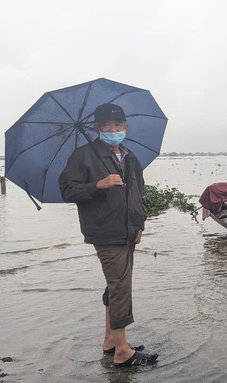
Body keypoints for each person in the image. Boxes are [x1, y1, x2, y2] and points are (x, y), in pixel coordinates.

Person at [59, 103, 158, 366]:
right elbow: (68, 191)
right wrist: (98, 184)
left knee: (116, 285)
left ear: (126, 127)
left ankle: (111, 341)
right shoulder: (83, 156)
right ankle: (123, 352)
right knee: (121, 287)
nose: (112, 130)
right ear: (97, 129)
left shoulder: (131, 157)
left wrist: (139, 226)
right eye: (106, 126)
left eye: (117, 125)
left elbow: (139, 194)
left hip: (129, 231)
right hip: (105, 231)